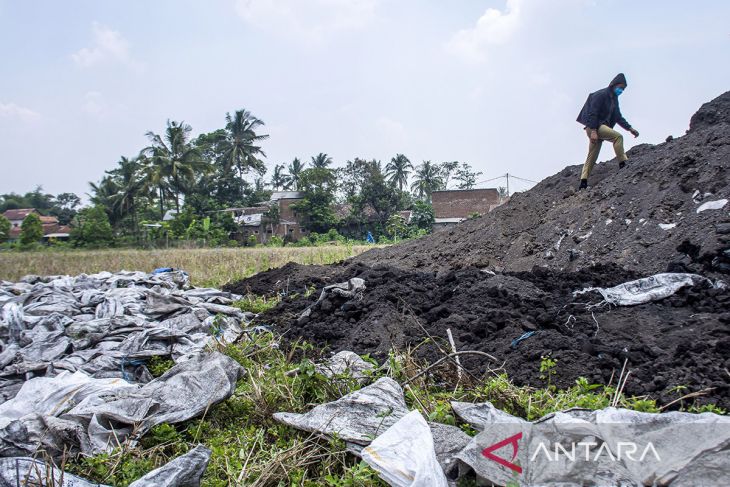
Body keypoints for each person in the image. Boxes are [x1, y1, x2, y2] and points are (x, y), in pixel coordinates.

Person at [576, 73, 639, 190]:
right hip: (594, 126)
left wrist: (630, 128)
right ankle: (623, 163)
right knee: (618, 137)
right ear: (614, 84)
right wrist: (594, 131)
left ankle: (583, 182)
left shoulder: (614, 100)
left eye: (623, 89)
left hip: (599, 128)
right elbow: (593, 113)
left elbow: (618, 117)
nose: (621, 90)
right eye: (620, 87)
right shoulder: (601, 95)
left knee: (592, 155)